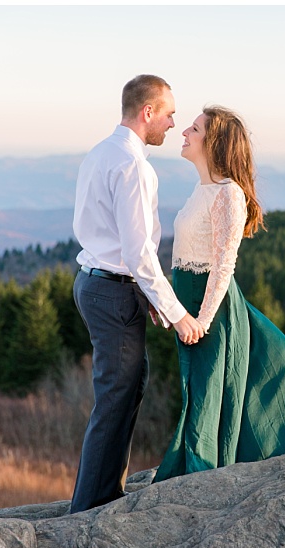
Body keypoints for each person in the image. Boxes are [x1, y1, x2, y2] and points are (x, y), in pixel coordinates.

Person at [153, 105, 285, 483]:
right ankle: (197, 471)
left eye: (196, 128)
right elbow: (186, 256)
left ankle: (200, 476)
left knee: (207, 393)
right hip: (189, 305)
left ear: (214, 142)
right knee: (198, 389)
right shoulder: (202, 189)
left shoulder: (228, 195)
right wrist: (166, 303)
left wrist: (202, 319)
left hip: (212, 312)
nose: (184, 131)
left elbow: (222, 266)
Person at [70, 75, 205, 513]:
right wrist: (177, 313)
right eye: (168, 114)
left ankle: (106, 491)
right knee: (115, 397)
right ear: (147, 112)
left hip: (96, 282)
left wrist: (144, 292)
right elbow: (138, 251)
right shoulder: (133, 166)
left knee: (129, 385)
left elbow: (118, 243)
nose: (172, 124)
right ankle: (90, 507)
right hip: (111, 291)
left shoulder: (100, 152)